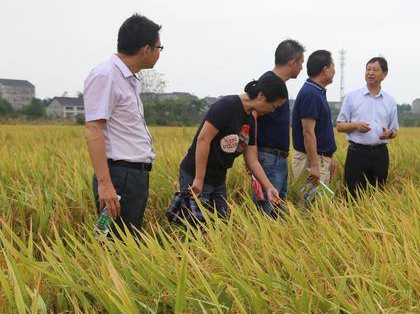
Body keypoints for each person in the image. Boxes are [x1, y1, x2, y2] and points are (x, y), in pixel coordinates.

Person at [83, 14, 162, 236]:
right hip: (119, 177)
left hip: (133, 175)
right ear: (145, 49)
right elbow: (94, 129)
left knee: (127, 246)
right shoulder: (106, 75)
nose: (159, 53)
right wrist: (106, 185)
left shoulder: (128, 78)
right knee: (115, 248)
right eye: (159, 47)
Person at [177, 73, 288, 219]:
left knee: (220, 226)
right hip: (195, 175)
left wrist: (269, 187)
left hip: (218, 179)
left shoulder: (251, 119)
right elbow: (203, 139)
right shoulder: (226, 106)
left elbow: (252, 160)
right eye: (273, 106)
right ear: (261, 96)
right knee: (194, 229)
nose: (272, 111)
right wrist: (199, 179)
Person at [253, 39, 306, 217]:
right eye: (301, 64)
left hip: (278, 159)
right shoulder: (268, 82)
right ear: (293, 62)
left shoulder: (278, 84)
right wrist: (251, 157)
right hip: (268, 159)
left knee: (278, 213)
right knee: (267, 214)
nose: (301, 68)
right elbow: (252, 115)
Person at [336, 57, 399, 197]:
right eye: (368, 69)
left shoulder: (390, 101)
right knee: (352, 196)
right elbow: (339, 126)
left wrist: (389, 134)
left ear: (384, 74)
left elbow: (395, 131)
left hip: (380, 154)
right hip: (357, 154)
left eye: (375, 70)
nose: (370, 73)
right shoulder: (351, 97)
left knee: (378, 196)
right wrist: (356, 125)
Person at [291, 50, 337, 186]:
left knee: (317, 205)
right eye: (333, 66)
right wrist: (315, 166)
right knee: (312, 205)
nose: (334, 71)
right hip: (311, 161)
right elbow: (308, 132)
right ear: (325, 69)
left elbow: (320, 131)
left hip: (318, 159)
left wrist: (329, 157)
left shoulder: (316, 91)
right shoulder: (311, 94)